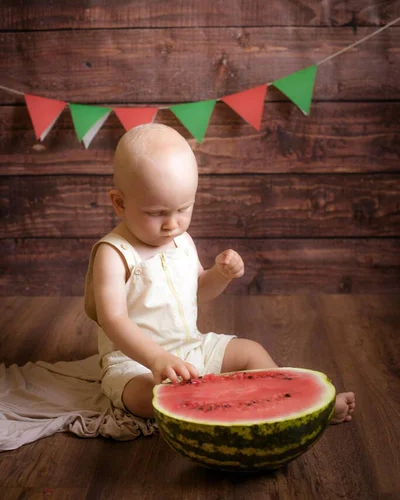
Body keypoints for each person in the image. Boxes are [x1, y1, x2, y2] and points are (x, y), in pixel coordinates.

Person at [84, 123, 355, 423]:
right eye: (157, 213)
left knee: (251, 352)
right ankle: (238, 407)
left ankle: (304, 406)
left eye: (184, 209)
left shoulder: (182, 241)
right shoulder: (113, 253)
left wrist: (220, 275)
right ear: (119, 203)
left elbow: (199, 290)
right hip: (135, 362)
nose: (172, 224)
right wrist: (155, 358)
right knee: (145, 396)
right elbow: (113, 319)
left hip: (192, 348)